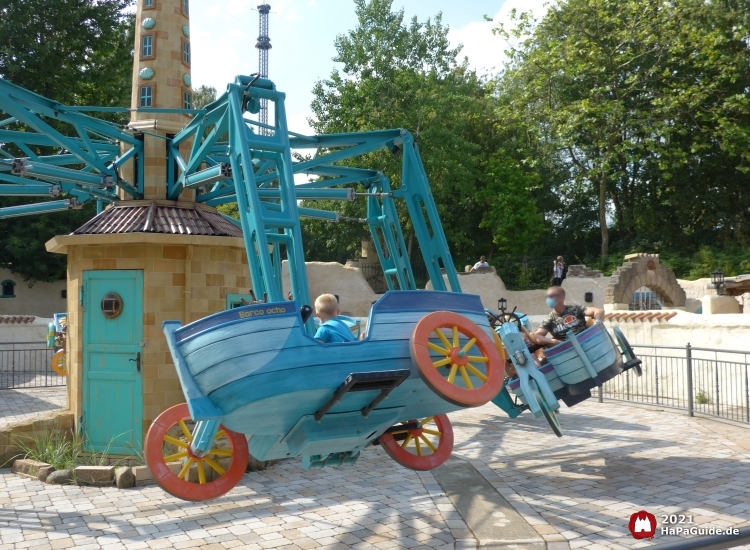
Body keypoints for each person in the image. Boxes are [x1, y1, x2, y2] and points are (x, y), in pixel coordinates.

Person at [534, 286, 604, 347]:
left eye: (551, 296)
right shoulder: (549, 319)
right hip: (568, 348)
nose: (548, 299)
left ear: (561, 297)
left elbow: (599, 311)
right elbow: (537, 336)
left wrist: (597, 324)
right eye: (547, 297)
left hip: (587, 341)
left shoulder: (575, 309)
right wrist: (553, 341)